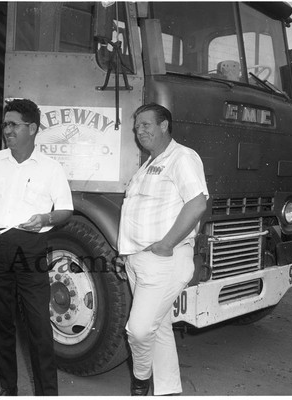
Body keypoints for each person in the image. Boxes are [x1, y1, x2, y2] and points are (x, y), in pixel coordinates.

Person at [0, 98, 73, 396]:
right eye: (5, 124)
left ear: (32, 128)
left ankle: (47, 393)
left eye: (13, 124)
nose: (7, 130)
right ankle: (9, 390)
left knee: (39, 328)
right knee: (0, 325)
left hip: (31, 249)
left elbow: (65, 210)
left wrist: (45, 218)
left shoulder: (51, 168)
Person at [118, 103, 208, 396]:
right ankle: (168, 390)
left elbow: (197, 203)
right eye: (137, 126)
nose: (139, 131)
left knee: (139, 330)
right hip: (138, 259)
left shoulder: (181, 157)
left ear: (164, 126)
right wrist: (126, 254)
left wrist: (167, 243)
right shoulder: (148, 164)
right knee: (161, 328)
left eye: (145, 125)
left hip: (163, 260)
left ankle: (140, 381)